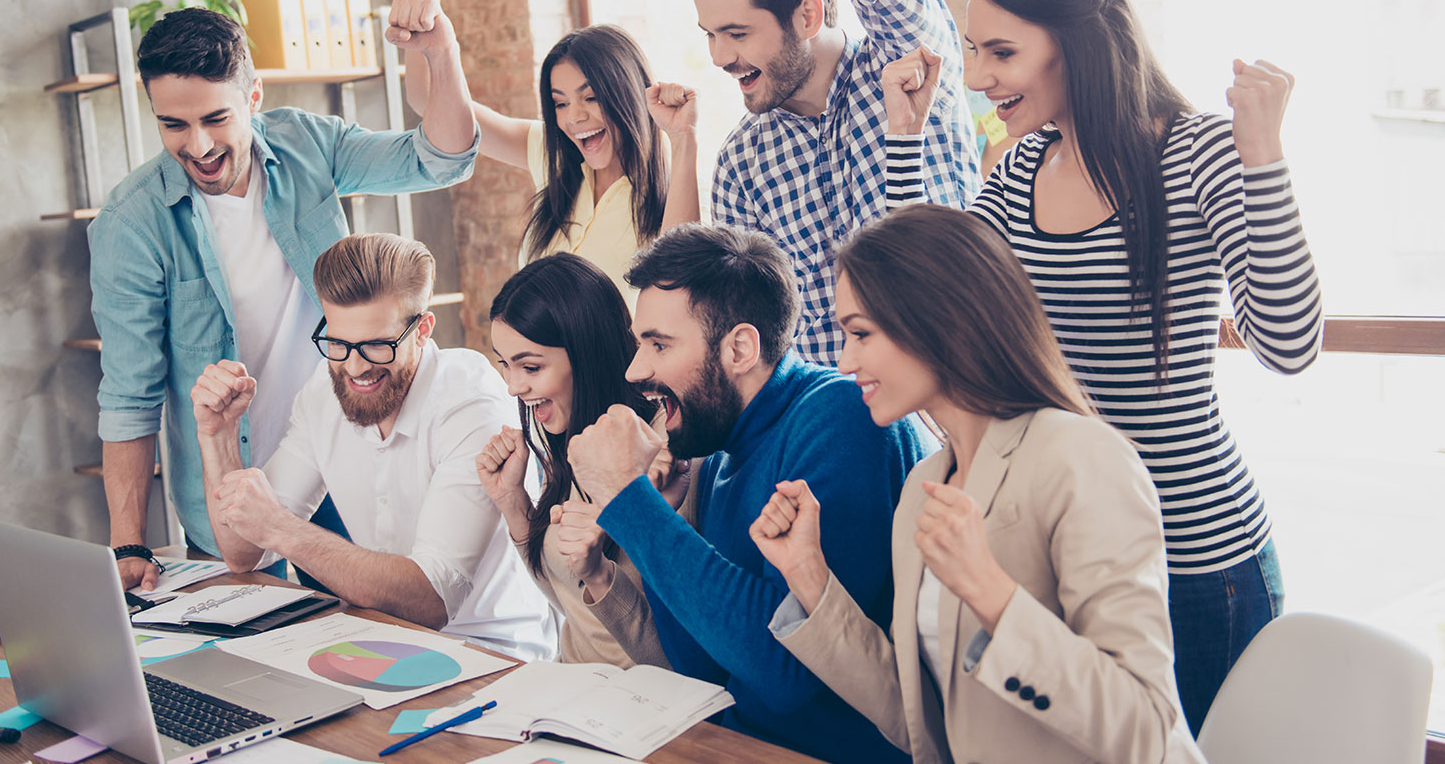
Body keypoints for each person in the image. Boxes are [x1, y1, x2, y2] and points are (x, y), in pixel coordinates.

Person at [880, 0, 1323, 729]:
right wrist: (905, 141)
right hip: (1075, 548)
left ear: (1075, 41)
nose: (978, 78)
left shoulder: (1197, 154)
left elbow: (1289, 344)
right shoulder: (1017, 172)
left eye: (1001, 53)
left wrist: (1263, 155)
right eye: (974, 52)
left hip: (1200, 560)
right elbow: (924, 299)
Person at [751, 204, 1204, 764]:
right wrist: (809, 576)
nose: (845, 362)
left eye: (861, 333)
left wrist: (990, 590)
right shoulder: (924, 485)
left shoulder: (1081, 457)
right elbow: (920, 720)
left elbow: (1146, 730)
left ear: (939, 319)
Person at [90, 0, 480, 591]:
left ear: (253, 97)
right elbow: (128, 397)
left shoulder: (307, 146)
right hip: (229, 486)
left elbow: (441, 159)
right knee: (258, 669)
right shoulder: (132, 222)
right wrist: (129, 543)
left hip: (344, 456)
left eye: (216, 119)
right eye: (174, 124)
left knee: (371, 647)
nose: (197, 146)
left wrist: (439, 53)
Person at [564, 224, 928, 763]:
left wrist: (628, 500)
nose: (635, 370)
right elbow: (704, 668)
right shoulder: (717, 451)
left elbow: (787, 677)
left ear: (739, 347)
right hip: (737, 746)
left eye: (658, 344)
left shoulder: (842, 417)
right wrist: (653, 512)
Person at [658, 0, 980, 366]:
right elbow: (748, 342)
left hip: (964, 397)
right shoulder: (742, 163)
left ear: (808, 13)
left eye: (737, 33)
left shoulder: (903, 65)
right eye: (710, 35)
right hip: (841, 431)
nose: (718, 57)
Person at [189, 233, 556, 660]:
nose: (355, 366)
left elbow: (430, 601)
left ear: (421, 331)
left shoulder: (471, 406)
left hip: (493, 655)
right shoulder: (324, 394)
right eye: (339, 344)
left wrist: (281, 528)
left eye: (376, 346)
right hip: (385, 644)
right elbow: (243, 552)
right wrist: (218, 435)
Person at [401, 0, 700, 303]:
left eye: (591, 98)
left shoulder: (671, 186)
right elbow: (428, 100)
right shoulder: (554, 153)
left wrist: (685, 139)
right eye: (560, 103)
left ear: (629, 93)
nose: (574, 117)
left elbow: (680, 289)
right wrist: (423, 0)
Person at [478, 253, 690, 667]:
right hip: (575, 687)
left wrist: (602, 570)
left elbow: (681, 652)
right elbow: (572, 601)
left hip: (651, 702)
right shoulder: (571, 433)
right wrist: (513, 501)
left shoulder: (666, 447)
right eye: (505, 364)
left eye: (530, 366)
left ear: (587, 353)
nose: (512, 387)